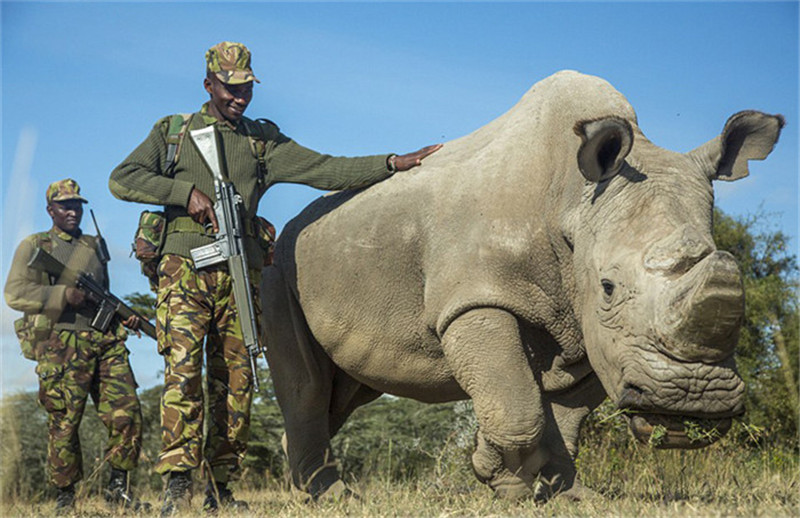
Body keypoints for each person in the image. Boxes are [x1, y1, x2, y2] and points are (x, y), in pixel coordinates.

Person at [108, 41, 441, 516]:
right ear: (208, 85)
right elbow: (122, 178)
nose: (238, 97)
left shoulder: (261, 141)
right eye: (229, 88)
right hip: (183, 271)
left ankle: (220, 486)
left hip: (241, 274)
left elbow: (324, 168)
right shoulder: (174, 133)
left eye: (245, 88)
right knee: (182, 374)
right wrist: (185, 193)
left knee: (238, 381)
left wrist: (390, 163)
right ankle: (177, 484)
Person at [4, 179, 150, 515]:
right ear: (50, 210)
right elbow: (13, 293)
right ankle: (66, 497)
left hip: (106, 341)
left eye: (78, 204)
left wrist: (122, 318)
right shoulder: (35, 245)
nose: (73, 211)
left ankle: (118, 491)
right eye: (65, 205)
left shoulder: (94, 244)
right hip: (61, 344)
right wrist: (61, 295)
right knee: (65, 422)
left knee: (127, 414)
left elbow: (104, 293)